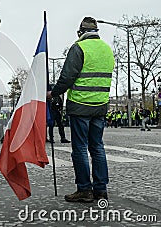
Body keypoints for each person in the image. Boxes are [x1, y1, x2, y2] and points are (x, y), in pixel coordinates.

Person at [47, 17, 115, 202]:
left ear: (80, 32)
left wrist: (53, 93)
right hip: (100, 106)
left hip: (80, 106)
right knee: (98, 148)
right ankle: (101, 190)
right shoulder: (107, 49)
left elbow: (68, 76)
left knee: (80, 148)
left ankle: (85, 189)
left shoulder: (79, 48)